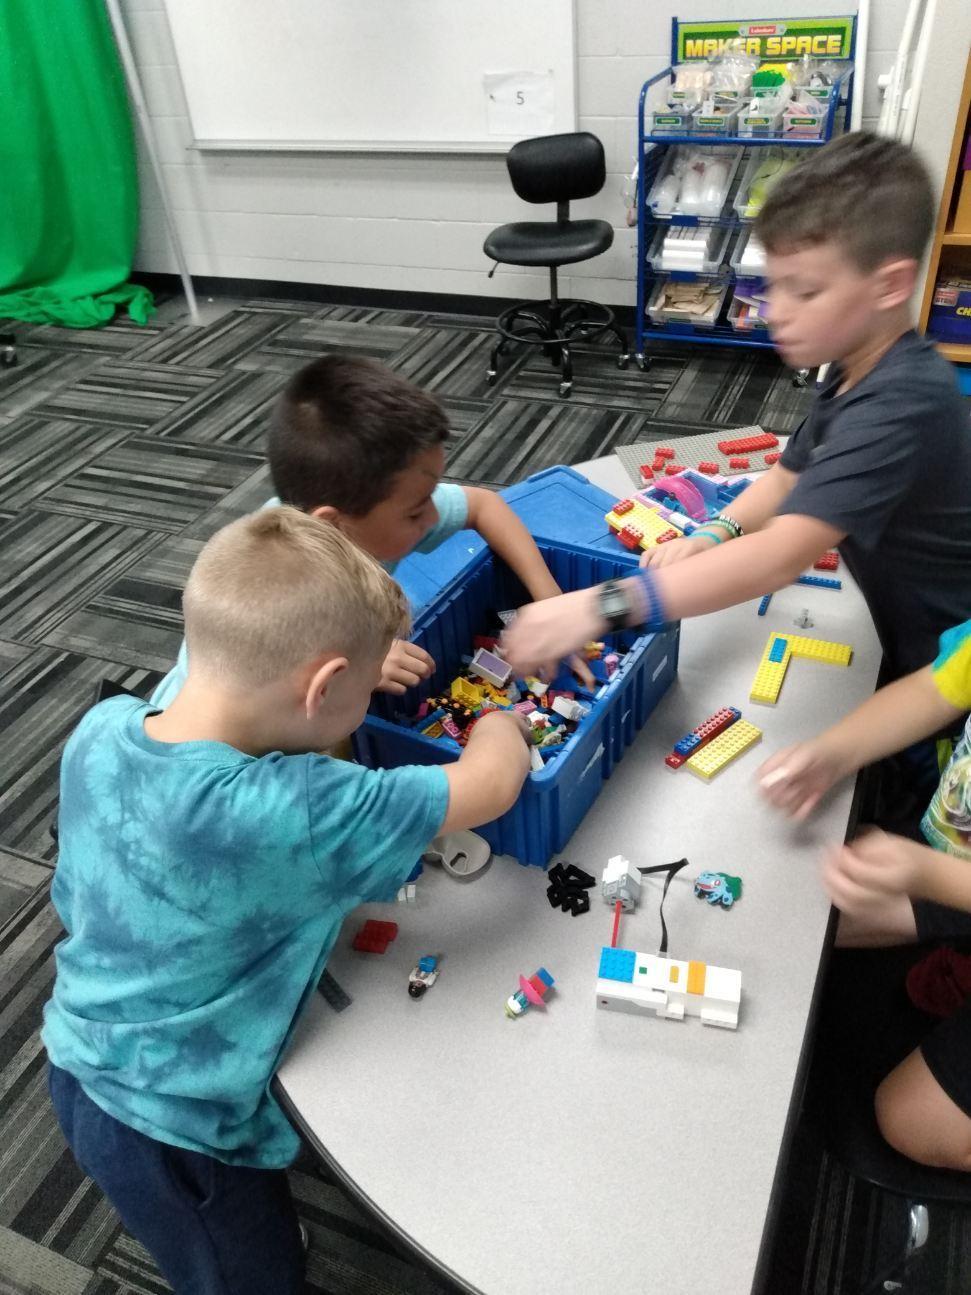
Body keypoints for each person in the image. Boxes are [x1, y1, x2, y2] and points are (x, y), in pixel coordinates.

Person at [43, 508, 531, 1293]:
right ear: (325, 686)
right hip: (178, 1128)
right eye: (364, 689)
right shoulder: (294, 810)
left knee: (234, 1232)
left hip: (79, 1048)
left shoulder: (105, 726)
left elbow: (76, 884)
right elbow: (492, 782)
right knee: (243, 1272)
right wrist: (505, 716)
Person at [501, 132, 971, 702]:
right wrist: (714, 532)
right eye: (773, 286)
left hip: (944, 662)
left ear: (889, 286)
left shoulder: (902, 402)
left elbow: (778, 558)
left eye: (805, 291)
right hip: (904, 633)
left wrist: (602, 606)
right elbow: (787, 474)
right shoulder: (860, 369)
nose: (775, 311)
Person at [152, 353, 592, 709]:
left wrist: (552, 602)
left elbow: (484, 504)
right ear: (333, 526)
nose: (434, 519)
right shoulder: (270, 588)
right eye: (417, 511)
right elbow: (246, 707)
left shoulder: (359, 507)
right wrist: (361, 668)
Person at [759, 618, 971, 1170]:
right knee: (798, 909)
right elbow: (938, 686)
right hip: (953, 869)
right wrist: (832, 752)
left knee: (908, 1118)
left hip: (948, 877)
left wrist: (926, 875)